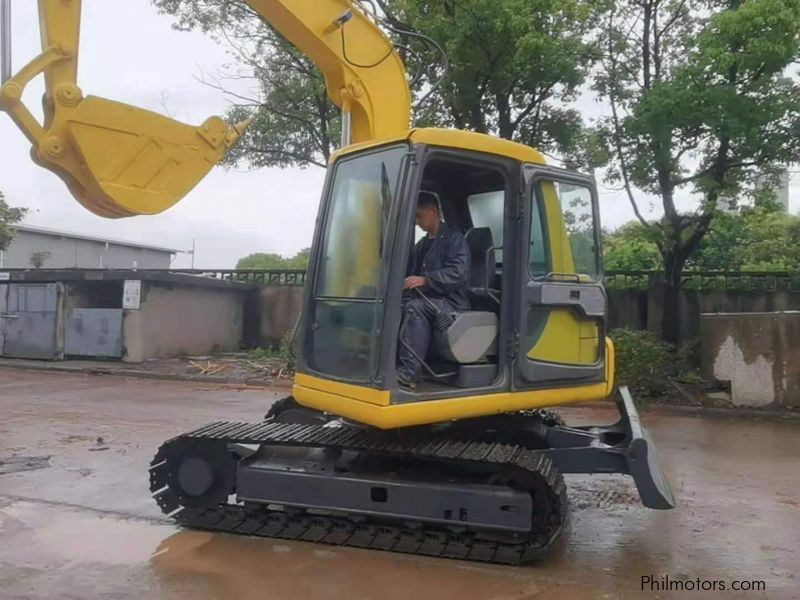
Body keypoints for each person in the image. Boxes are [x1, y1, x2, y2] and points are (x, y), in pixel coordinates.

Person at [397, 191, 471, 391]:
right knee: (393, 306)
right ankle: (390, 365)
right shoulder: (422, 244)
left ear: (433, 211)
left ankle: (410, 374)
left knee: (415, 308)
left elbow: (458, 273)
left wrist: (426, 280)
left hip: (451, 301)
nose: (416, 221)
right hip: (429, 298)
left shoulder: (455, 239)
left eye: (419, 215)